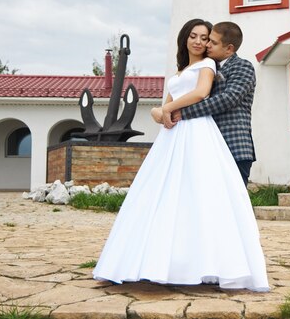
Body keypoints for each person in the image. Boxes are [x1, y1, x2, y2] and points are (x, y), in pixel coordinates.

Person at [92, 18, 269, 292]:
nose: (204, 43)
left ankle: (228, 268)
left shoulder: (236, 67)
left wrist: (174, 112)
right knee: (180, 203)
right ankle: (174, 263)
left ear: (229, 48)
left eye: (209, 39)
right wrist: (159, 111)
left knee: (226, 211)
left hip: (230, 145)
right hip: (188, 139)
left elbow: (221, 99)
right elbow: (171, 103)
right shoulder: (198, 67)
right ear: (185, 38)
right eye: (198, 37)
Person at [167, 22, 256, 187]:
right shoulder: (210, 67)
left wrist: (184, 113)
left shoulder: (243, 66)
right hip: (210, 145)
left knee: (235, 202)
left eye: (213, 42)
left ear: (229, 49)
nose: (207, 44)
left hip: (234, 146)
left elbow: (228, 98)